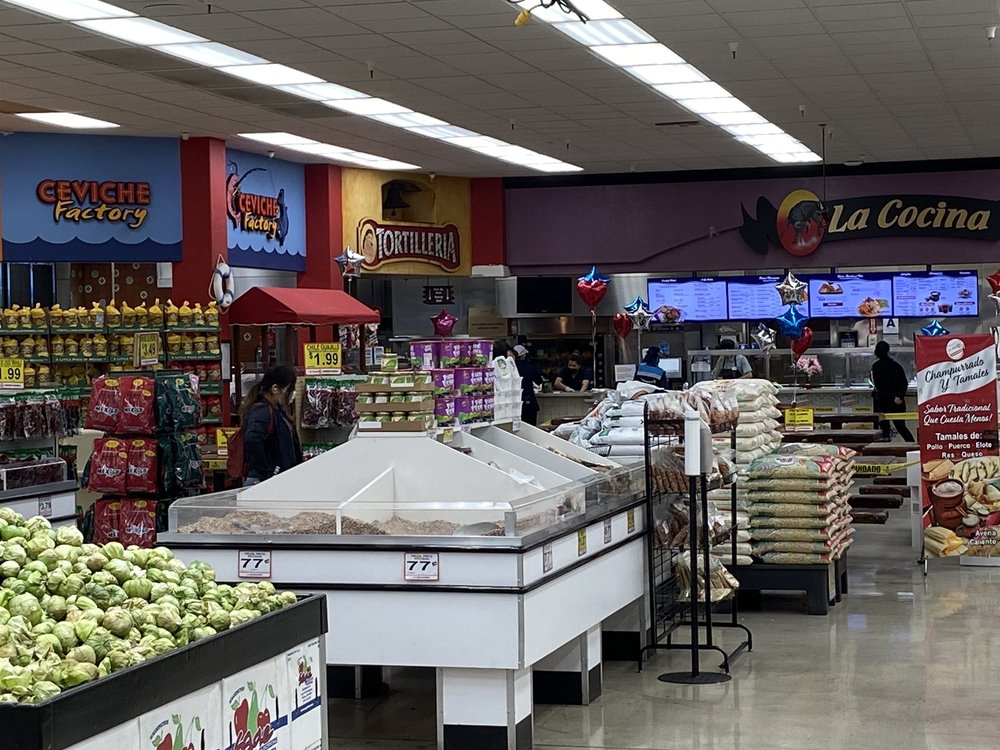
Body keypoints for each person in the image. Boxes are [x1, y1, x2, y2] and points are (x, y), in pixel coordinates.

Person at [240, 365, 303, 486]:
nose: (291, 395)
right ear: (275, 389)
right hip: (263, 481)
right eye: (288, 390)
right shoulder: (262, 412)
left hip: (276, 479)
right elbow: (252, 440)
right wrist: (266, 471)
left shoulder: (277, 410)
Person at [871, 341, 914, 442]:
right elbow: (904, 383)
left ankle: (885, 448)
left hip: (881, 402)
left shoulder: (875, 367)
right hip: (896, 402)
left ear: (876, 352)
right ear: (888, 351)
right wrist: (900, 396)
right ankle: (913, 446)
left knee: (884, 429)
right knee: (901, 427)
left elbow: (875, 384)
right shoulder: (896, 366)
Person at [514, 344, 543, 426]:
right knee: (531, 427)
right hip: (529, 402)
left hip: (514, 404)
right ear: (523, 356)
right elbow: (539, 380)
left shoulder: (510, 367)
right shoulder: (529, 367)